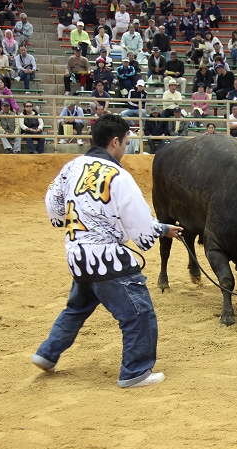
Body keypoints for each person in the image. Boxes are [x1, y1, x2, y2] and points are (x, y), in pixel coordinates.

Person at [34, 113, 182, 387]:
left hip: (77, 255)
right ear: (115, 141)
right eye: (126, 142)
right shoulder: (119, 176)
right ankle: (135, 372)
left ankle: (47, 353)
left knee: (77, 307)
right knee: (140, 314)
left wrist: (162, 228)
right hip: (107, 259)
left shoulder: (71, 167)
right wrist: (153, 233)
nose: (125, 149)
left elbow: (53, 202)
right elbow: (137, 222)